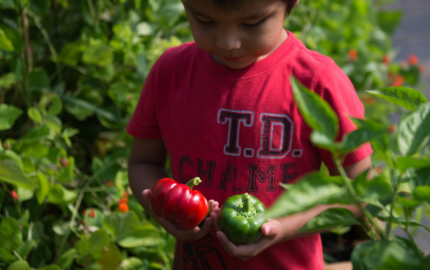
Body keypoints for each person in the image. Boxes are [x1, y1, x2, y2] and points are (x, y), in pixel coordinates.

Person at [127, 0, 373, 269]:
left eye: (252, 23)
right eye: (204, 21)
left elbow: (356, 191)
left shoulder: (317, 82)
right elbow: (144, 163)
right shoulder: (170, 72)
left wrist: (281, 226)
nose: (227, 42)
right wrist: (162, 209)